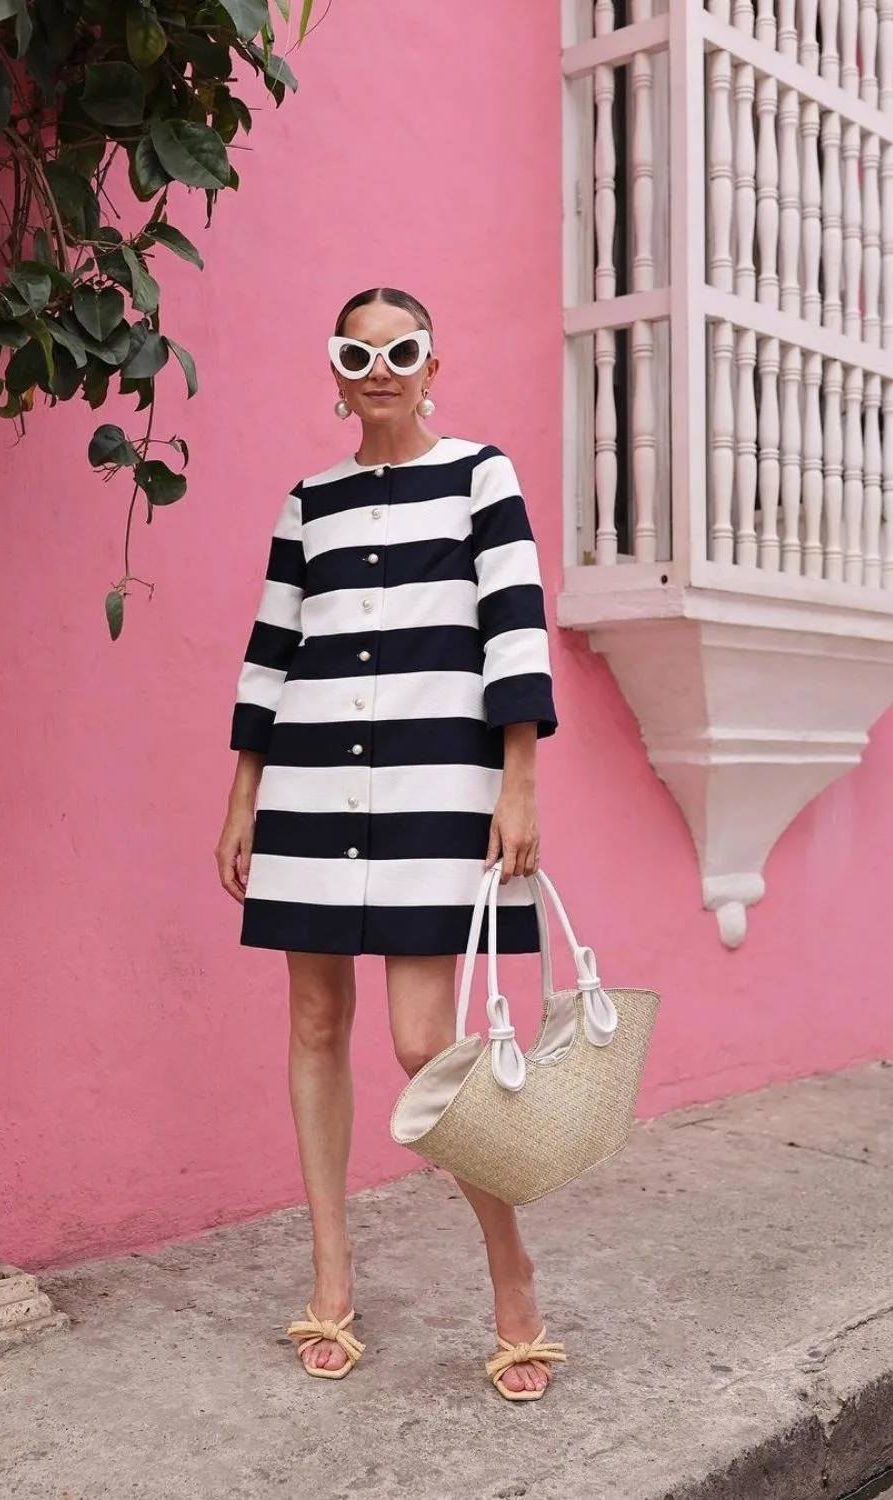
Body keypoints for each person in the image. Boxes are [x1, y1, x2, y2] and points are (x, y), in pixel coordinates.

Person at [215, 288, 563, 1401]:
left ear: (430, 361)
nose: (381, 366)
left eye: (400, 348)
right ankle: (330, 1275)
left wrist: (519, 782)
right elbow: (271, 654)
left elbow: (513, 628)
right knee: (314, 1021)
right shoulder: (306, 501)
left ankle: (509, 1270)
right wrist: (242, 797)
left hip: (434, 787)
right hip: (309, 789)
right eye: (357, 351)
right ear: (333, 366)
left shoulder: (479, 476)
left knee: (426, 1047)